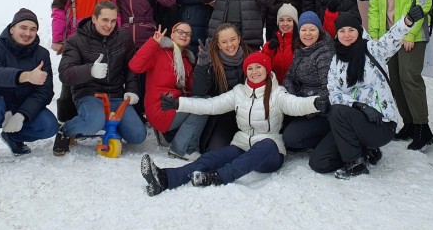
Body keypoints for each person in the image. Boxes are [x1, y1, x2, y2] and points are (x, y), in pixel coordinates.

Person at [140, 52, 326, 195]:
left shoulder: (277, 93)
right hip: (243, 144)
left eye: (259, 68)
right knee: (211, 158)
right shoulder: (238, 92)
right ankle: (165, 178)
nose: (254, 72)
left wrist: (314, 103)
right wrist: (178, 103)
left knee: (267, 145)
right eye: (250, 68)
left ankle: (218, 177)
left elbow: (295, 104)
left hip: (269, 153)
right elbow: (211, 105)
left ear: (267, 70)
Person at [309, 5, 425, 179]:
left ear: (359, 31)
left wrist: (407, 21)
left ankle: (356, 165)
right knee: (319, 162)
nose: (347, 35)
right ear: (337, 34)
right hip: (353, 121)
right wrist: (360, 106)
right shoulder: (336, 60)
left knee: (337, 111)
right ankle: (365, 151)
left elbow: (391, 39)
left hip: (380, 124)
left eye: (351, 30)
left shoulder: (373, 50)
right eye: (342, 31)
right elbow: (334, 92)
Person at [0, 8, 59, 170]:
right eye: (23, 27)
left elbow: (44, 92)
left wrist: (22, 115)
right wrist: (26, 76)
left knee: (49, 125)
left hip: (20, 105)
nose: (28, 33)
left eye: (33, 29)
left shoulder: (41, 54)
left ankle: (12, 136)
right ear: (12, 29)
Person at [367, 0, 433, 150]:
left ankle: (423, 128)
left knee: (409, 78)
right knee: (394, 80)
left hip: (412, 35)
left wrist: (410, 34)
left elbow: (424, 5)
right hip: (390, 37)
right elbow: (374, 8)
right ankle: (410, 124)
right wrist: (376, 36)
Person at [54, 1, 146, 155]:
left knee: (138, 136)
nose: (109, 25)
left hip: (116, 94)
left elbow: (131, 68)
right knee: (94, 122)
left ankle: (111, 125)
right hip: (90, 94)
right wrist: (90, 70)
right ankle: (66, 130)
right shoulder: (76, 41)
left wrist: (131, 90)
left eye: (112, 21)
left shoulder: (123, 37)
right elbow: (65, 73)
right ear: (94, 18)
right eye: (104, 20)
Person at [50, 0, 116, 129]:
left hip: (103, 37)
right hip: (75, 38)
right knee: (70, 82)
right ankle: (64, 125)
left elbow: (115, 11)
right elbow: (58, 9)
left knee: (99, 79)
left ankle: (91, 119)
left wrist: (116, 34)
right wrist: (57, 38)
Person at [129, 23, 203, 160]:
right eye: (180, 31)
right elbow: (134, 66)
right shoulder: (158, 52)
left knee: (203, 103)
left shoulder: (187, 60)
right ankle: (182, 149)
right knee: (202, 107)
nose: (184, 35)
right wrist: (153, 43)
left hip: (175, 104)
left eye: (187, 33)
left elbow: (193, 90)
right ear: (172, 34)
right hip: (160, 107)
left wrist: (202, 65)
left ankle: (177, 139)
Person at [281, 11, 335, 152]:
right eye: (303, 29)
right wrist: (294, 99)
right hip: (302, 104)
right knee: (281, 129)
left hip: (320, 112)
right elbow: (289, 77)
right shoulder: (301, 49)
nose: (307, 33)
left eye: (312, 29)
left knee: (290, 138)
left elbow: (328, 90)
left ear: (319, 31)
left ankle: (332, 137)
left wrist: (307, 107)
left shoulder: (324, 53)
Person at [192, 23, 251, 152]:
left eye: (233, 39)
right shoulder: (212, 62)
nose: (230, 45)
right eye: (224, 42)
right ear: (218, 45)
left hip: (250, 114)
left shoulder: (251, 57)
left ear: (239, 39)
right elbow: (199, 91)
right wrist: (202, 66)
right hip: (225, 116)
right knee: (216, 150)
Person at [262, 3, 298, 83]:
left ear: (294, 23)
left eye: (289, 20)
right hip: (275, 87)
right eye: (281, 20)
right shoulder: (272, 43)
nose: (285, 24)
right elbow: (263, 62)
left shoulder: (300, 42)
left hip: (294, 89)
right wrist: (269, 49)